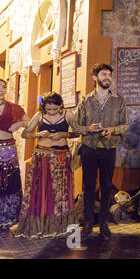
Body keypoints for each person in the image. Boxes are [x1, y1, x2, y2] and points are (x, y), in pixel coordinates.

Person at [72, 63, 130, 241]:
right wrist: (87, 128)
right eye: (104, 74)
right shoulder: (86, 100)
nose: (108, 78)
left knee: (106, 187)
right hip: (89, 148)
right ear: (95, 77)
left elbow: (126, 125)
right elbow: (75, 125)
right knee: (88, 187)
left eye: (109, 75)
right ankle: (88, 223)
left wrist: (113, 129)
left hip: (108, 149)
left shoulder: (118, 101)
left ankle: (104, 223)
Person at [15, 92, 77, 238]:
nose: (51, 112)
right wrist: (38, 135)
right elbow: (25, 134)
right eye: (48, 109)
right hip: (42, 156)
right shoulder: (39, 115)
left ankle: (60, 226)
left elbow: (78, 132)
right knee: (41, 190)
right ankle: (40, 225)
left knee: (60, 192)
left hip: (62, 157)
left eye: (55, 109)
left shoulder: (68, 114)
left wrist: (63, 135)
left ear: (61, 105)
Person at [0, 79, 27, 231]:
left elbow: (28, 121)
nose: (1, 90)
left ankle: (7, 219)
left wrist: (16, 126)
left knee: (9, 182)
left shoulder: (13, 108)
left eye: (3, 87)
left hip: (7, 150)